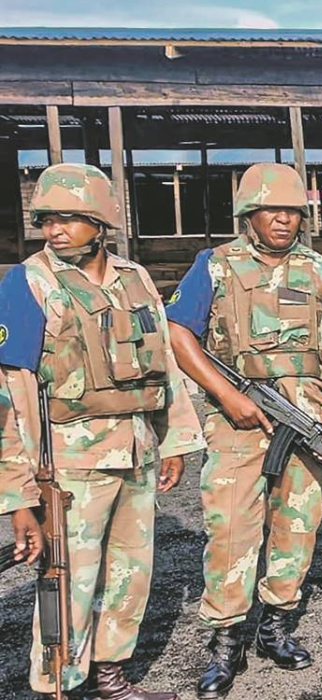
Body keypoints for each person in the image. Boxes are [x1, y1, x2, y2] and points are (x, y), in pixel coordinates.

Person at [0, 163, 205, 700]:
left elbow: (164, 364)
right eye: (47, 220)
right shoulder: (28, 283)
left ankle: (111, 678)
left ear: (101, 221)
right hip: (69, 465)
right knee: (67, 583)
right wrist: (18, 497)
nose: (55, 230)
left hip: (136, 451)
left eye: (69, 218)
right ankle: (58, 686)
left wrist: (175, 441)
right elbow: (11, 396)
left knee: (130, 576)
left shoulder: (134, 278)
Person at [165, 163, 322, 699]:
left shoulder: (320, 271)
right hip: (238, 420)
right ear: (248, 214)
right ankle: (227, 638)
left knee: (298, 525)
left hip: (305, 419)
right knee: (231, 528)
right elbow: (180, 334)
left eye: (292, 211)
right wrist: (229, 397)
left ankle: (276, 623)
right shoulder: (216, 266)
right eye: (271, 210)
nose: (283, 219)